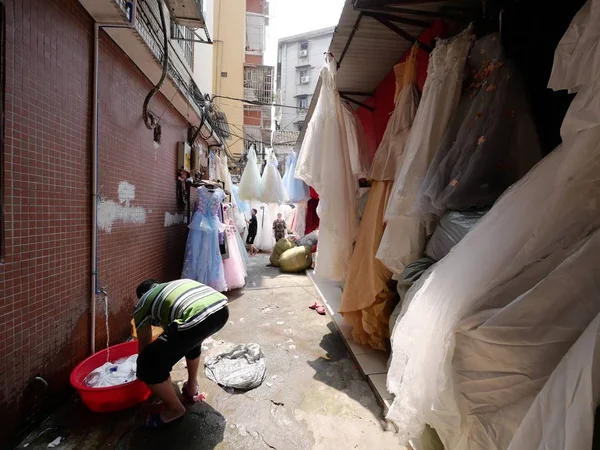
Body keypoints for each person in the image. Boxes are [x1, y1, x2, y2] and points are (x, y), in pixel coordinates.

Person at [134, 278, 229, 427]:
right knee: (189, 341)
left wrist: (145, 372)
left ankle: (175, 410)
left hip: (195, 317)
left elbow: (144, 343)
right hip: (221, 310)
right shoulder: (173, 286)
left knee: (147, 364)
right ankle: (192, 387)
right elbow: (177, 338)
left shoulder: (143, 302)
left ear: (143, 294)